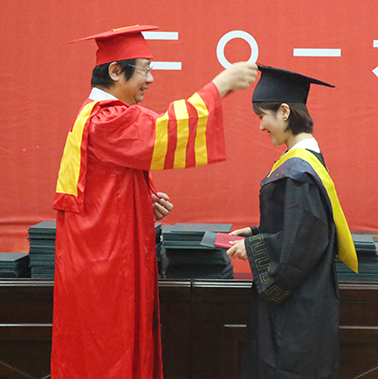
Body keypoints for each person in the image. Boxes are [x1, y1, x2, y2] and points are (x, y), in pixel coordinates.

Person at [51, 24, 257, 379]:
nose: (151, 78)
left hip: (101, 257)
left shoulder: (95, 114)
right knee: (108, 354)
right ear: (116, 71)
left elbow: (102, 185)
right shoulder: (104, 118)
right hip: (103, 267)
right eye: (145, 69)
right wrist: (219, 86)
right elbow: (163, 131)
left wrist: (140, 201)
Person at [227, 65, 358, 379]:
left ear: (284, 112)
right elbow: (302, 227)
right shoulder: (304, 164)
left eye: (263, 116)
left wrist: (253, 247)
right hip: (304, 301)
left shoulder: (299, 173)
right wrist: (258, 233)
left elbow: (301, 244)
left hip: (296, 311)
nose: (261, 126)